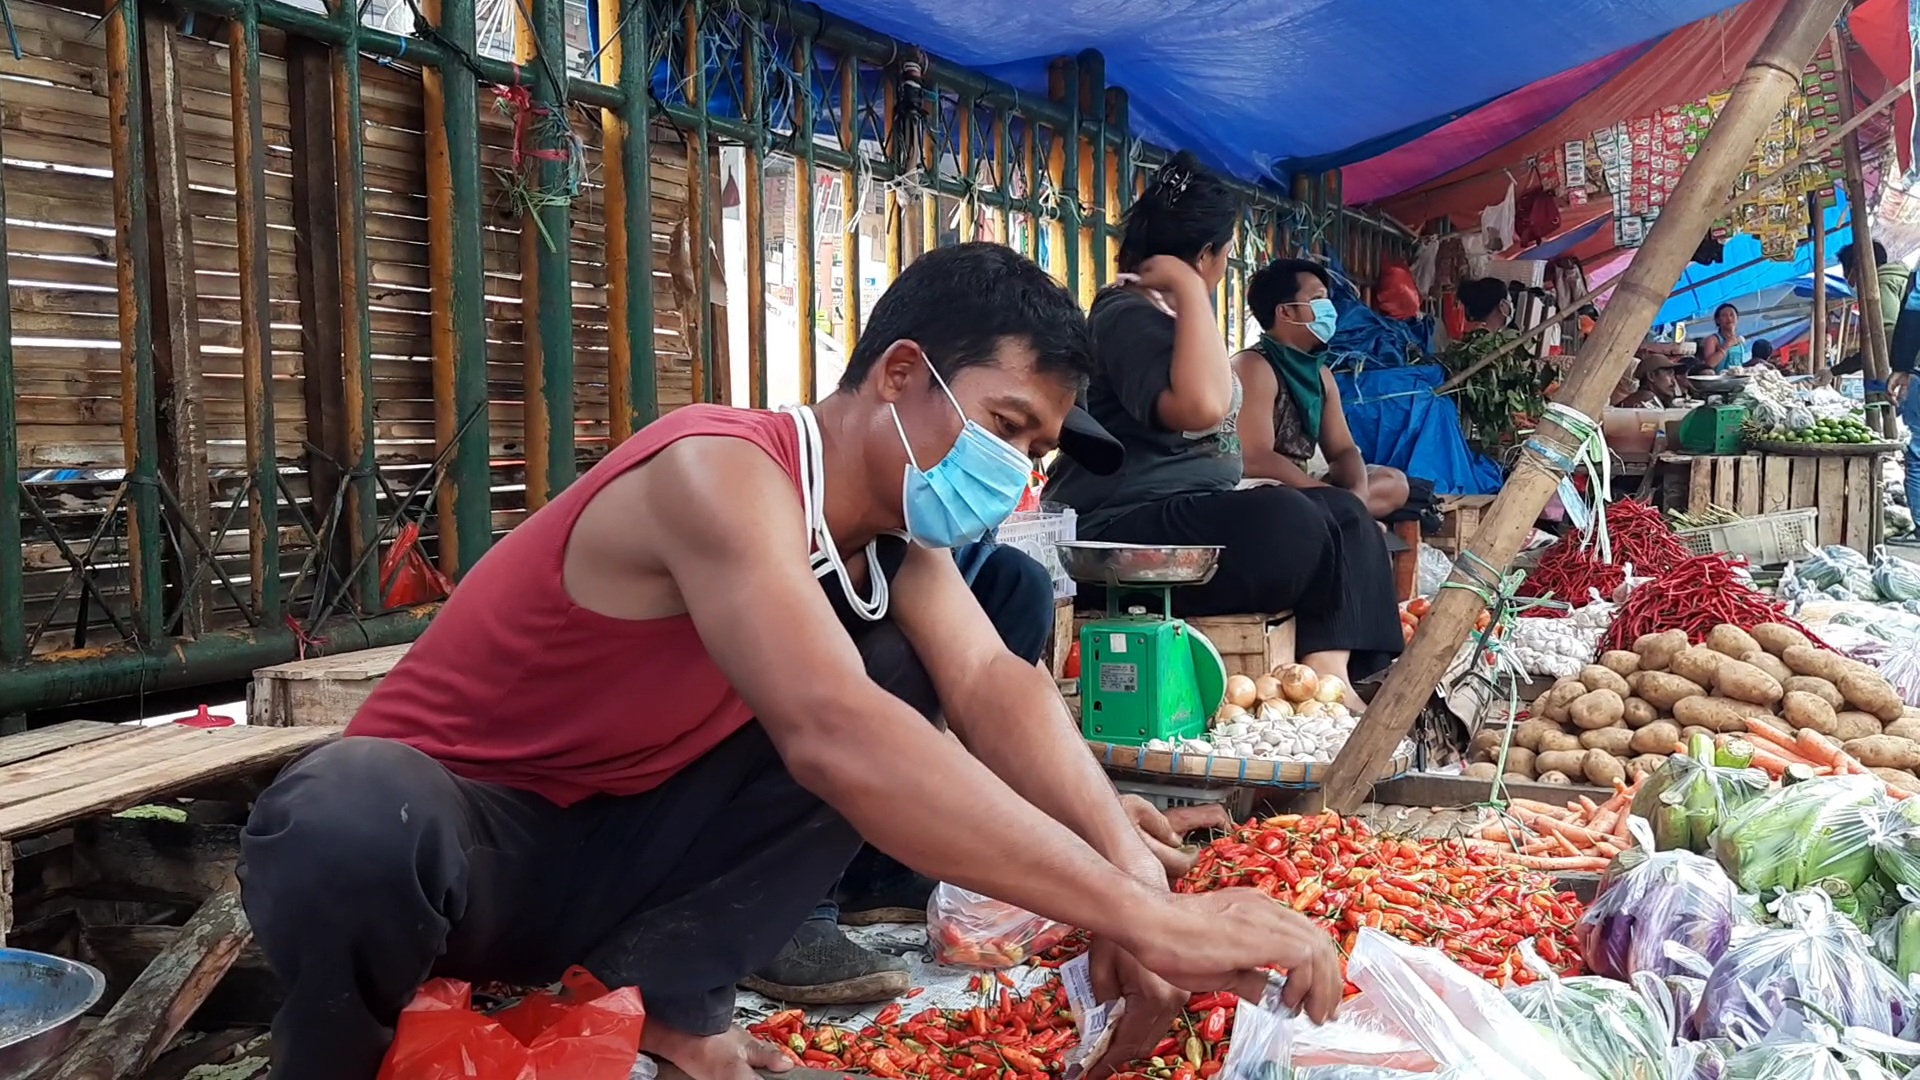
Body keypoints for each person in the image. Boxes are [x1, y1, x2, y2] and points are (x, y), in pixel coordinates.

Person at [237, 241, 1342, 1080]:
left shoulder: (889, 545)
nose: (1016, 471)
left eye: (1036, 450)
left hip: (608, 857)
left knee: (900, 675)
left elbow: (991, 684)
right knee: (350, 807)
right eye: (1006, 426)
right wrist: (1154, 924)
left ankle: (667, 1003)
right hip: (467, 851)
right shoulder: (717, 470)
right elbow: (834, 735)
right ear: (901, 374)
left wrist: (1131, 876)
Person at [1044, 153, 1404, 688]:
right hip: (1126, 523)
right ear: (1205, 255)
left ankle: (1332, 678)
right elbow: (1201, 407)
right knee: (1290, 519)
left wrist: (1187, 296)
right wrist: (1191, 290)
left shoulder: (1169, 315)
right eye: (1225, 253)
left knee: (1346, 514)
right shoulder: (1126, 315)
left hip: (1191, 512)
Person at [1236, 257, 1409, 519]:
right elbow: (1255, 458)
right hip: (1262, 488)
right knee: (1281, 504)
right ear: (1285, 312)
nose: (1329, 308)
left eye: (1326, 299)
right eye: (1317, 299)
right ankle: (1339, 515)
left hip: (1308, 491)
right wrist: (1330, 495)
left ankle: (1339, 514)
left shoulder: (1321, 374)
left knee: (1395, 484)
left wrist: (1358, 492)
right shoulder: (1253, 365)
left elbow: (1342, 450)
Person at [1618, 353, 1687, 408]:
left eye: (1673, 375)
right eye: (1669, 374)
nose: (1674, 382)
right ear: (1651, 376)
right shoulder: (1646, 398)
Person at [1697, 303, 1748, 372]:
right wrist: (1726, 346)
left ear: (1737, 318)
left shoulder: (1740, 340)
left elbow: (1741, 364)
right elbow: (1709, 365)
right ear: (1717, 320)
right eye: (1724, 315)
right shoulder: (1713, 339)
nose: (1729, 318)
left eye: (1732, 315)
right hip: (1719, 378)